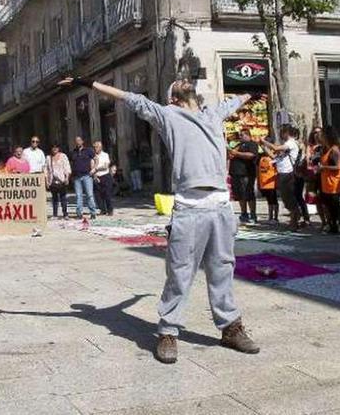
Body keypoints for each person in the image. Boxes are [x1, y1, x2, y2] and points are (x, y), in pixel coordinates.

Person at [59, 76, 260, 364]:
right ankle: (167, 331)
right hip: (189, 208)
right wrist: (85, 81)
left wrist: (246, 95)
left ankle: (230, 328)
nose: (182, 80)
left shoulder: (213, 113)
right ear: (172, 98)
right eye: (176, 83)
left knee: (222, 270)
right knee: (180, 274)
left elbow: (237, 100)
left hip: (220, 207)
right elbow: (127, 97)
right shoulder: (166, 115)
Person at [262, 125, 302, 230]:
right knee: (285, 199)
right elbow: (276, 157)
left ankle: (294, 222)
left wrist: (264, 141)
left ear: (286, 133)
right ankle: (295, 219)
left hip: (288, 174)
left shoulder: (291, 143)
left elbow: (275, 148)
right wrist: (265, 148)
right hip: (282, 173)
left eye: (281, 132)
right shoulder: (286, 144)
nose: (280, 135)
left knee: (289, 199)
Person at [318, 126, 340, 236]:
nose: (320, 137)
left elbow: (338, 166)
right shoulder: (326, 149)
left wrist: (323, 168)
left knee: (336, 205)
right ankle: (333, 226)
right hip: (326, 181)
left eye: (322, 135)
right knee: (329, 205)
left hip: (334, 182)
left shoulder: (335, 149)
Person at [228, 129, 259, 224]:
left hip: (246, 173)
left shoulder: (252, 144)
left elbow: (251, 155)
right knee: (240, 194)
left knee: (248, 194)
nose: (240, 137)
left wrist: (237, 153)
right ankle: (244, 213)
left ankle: (253, 214)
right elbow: (230, 155)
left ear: (247, 135)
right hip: (236, 173)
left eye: (242, 135)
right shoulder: (238, 145)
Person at [69, 136, 98, 219]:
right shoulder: (73, 152)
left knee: (89, 195)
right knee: (78, 196)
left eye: (79, 140)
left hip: (87, 176)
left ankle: (93, 212)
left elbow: (96, 159)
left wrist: (94, 169)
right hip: (77, 177)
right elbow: (71, 163)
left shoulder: (88, 150)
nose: (78, 142)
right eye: (76, 141)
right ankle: (79, 213)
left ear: (82, 141)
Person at [46, 144, 71, 218]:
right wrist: (46, 181)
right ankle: (55, 214)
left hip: (62, 180)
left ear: (58, 148)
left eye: (56, 147)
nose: (54, 149)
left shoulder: (63, 156)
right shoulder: (48, 157)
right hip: (52, 181)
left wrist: (67, 178)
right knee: (54, 198)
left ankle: (65, 214)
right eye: (53, 147)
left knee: (63, 197)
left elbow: (67, 167)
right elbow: (46, 170)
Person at [257, 146, 279, 224]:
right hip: (264, 183)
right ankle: (270, 217)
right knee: (269, 201)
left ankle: (275, 217)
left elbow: (277, 170)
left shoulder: (274, 158)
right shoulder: (261, 158)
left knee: (274, 200)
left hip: (272, 183)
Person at [93, 141, 114, 216]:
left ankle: (110, 210)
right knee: (98, 195)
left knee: (107, 194)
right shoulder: (93, 156)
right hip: (96, 176)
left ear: (100, 147)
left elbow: (106, 166)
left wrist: (96, 168)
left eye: (97, 147)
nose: (95, 148)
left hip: (105, 176)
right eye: (94, 147)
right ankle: (102, 209)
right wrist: (95, 174)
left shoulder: (105, 155)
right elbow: (91, 167)